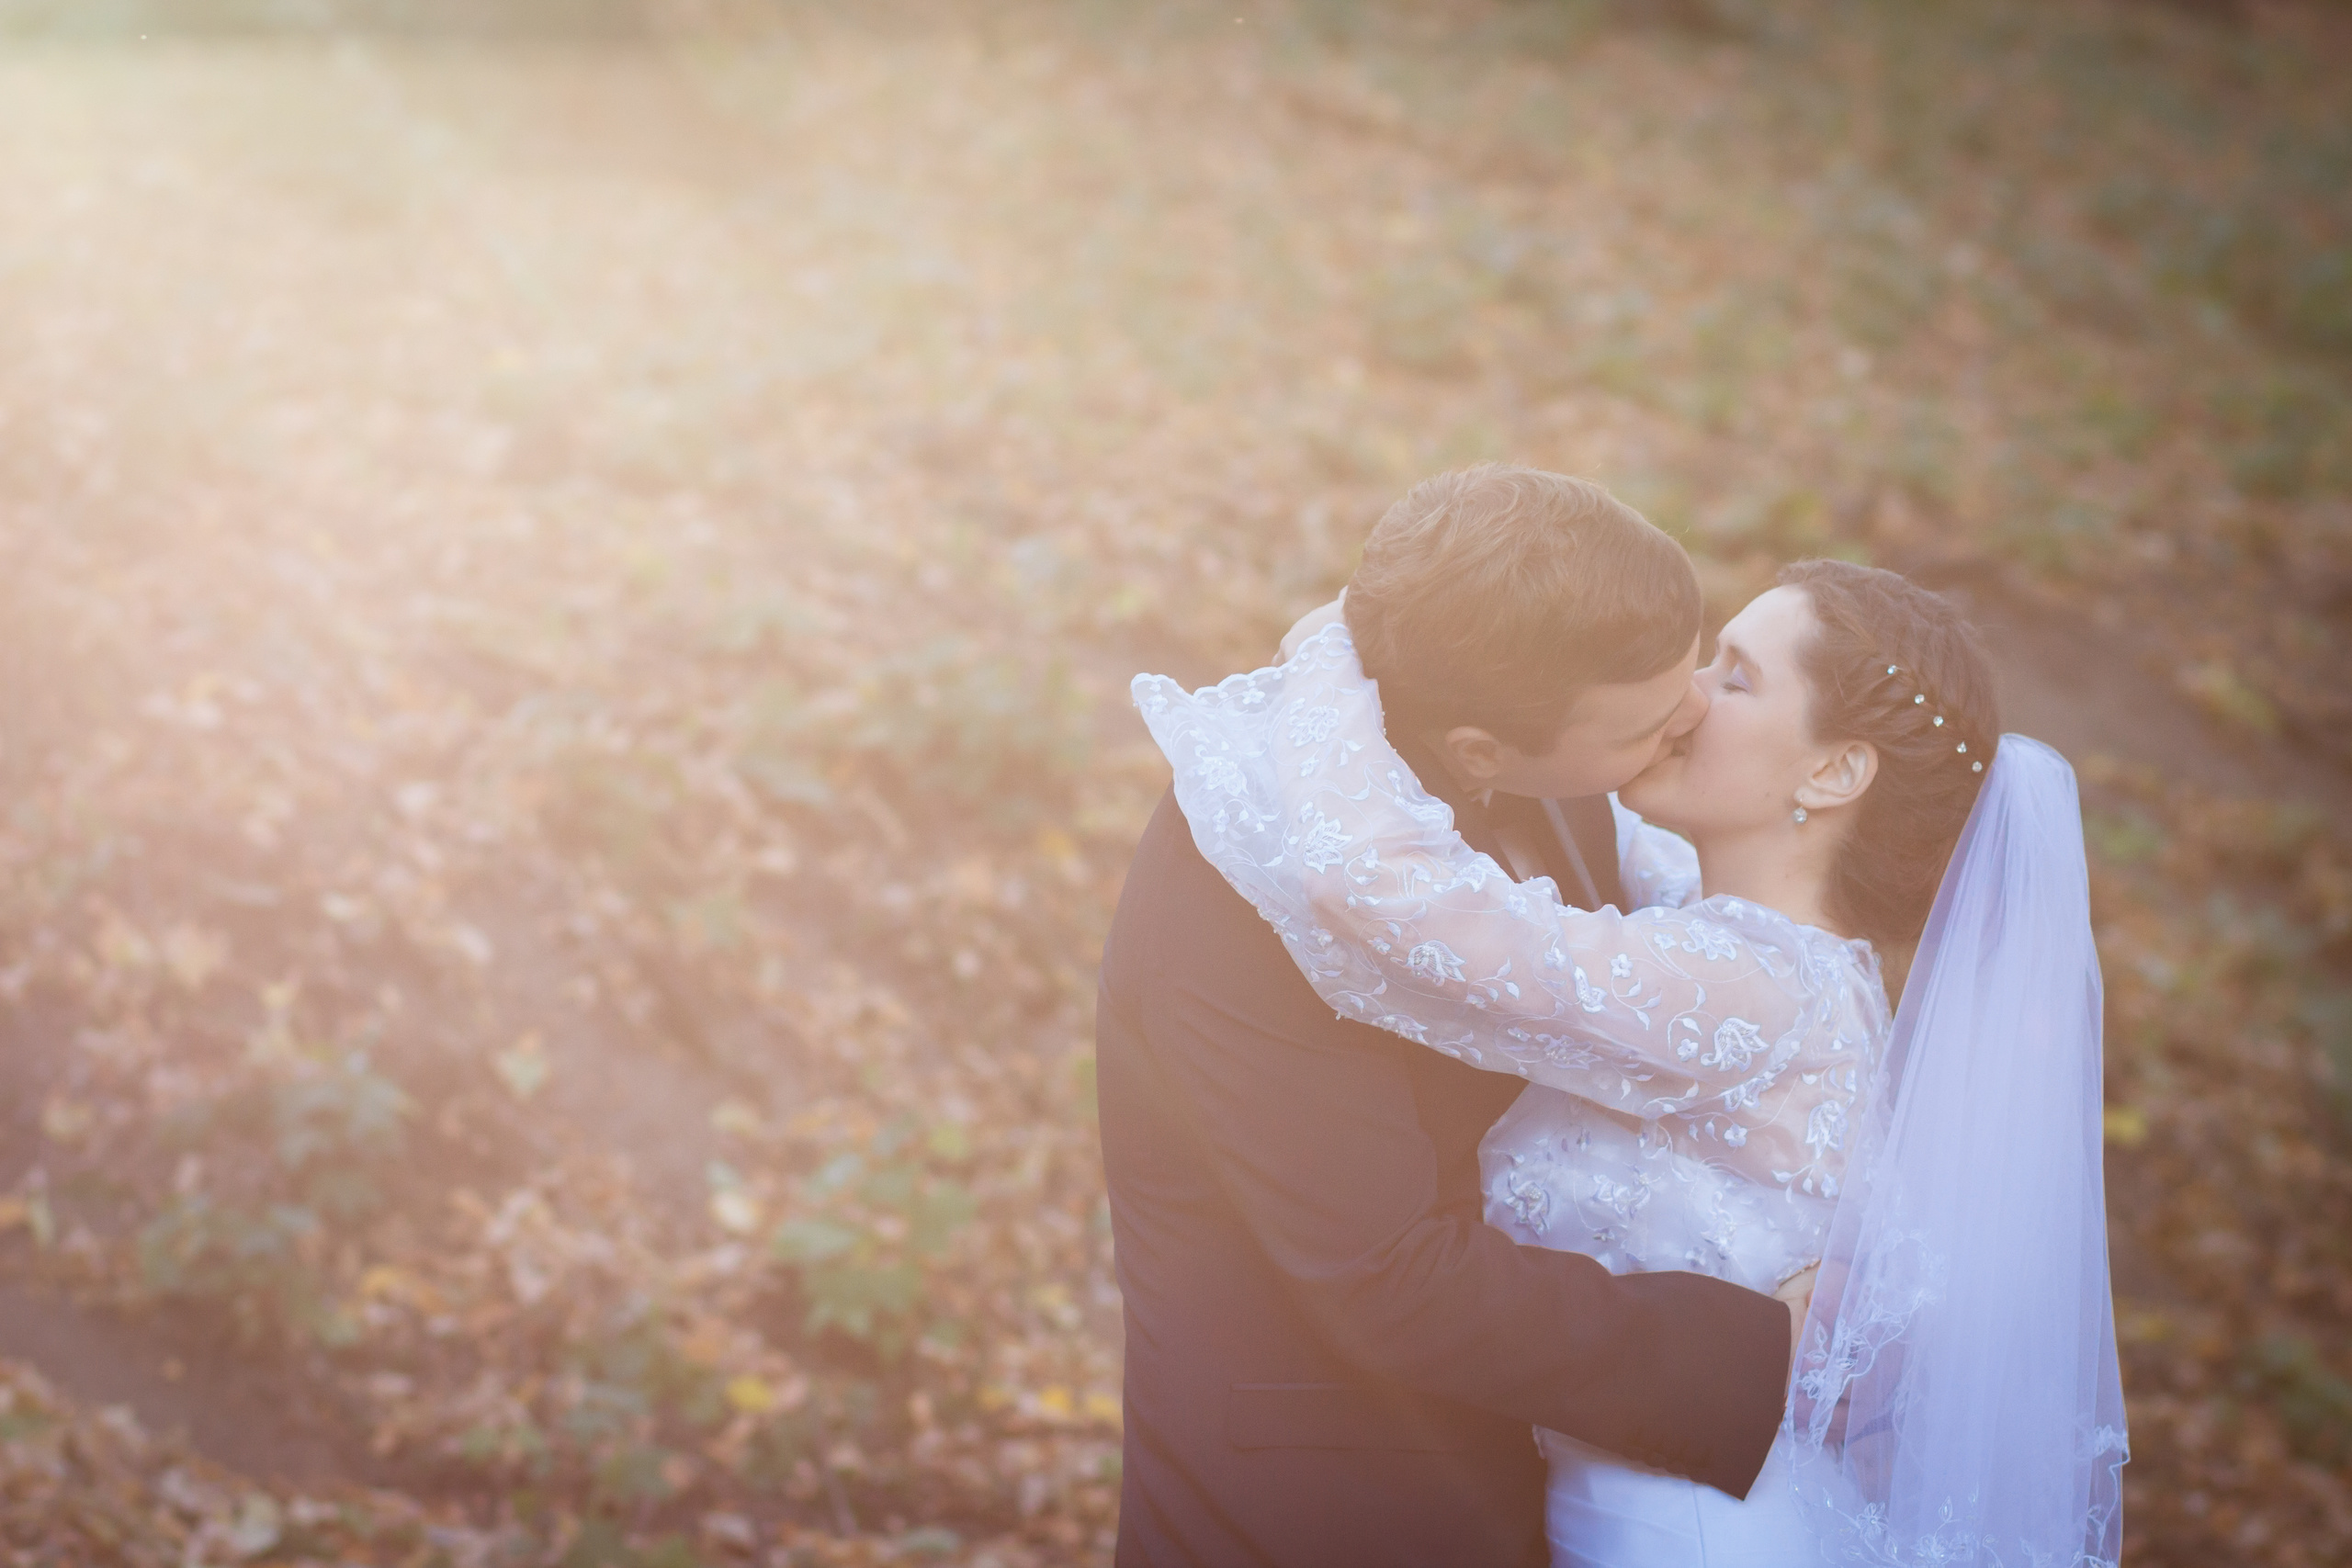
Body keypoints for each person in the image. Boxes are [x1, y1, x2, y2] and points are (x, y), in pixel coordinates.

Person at [1139, 552, 2127, 1567]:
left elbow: (1391, 890)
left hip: (1687, 1533)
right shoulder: (1745, 946)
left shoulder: (1746, 987)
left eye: (1736, 677)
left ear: (1832, 771)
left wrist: (1328, 650)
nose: (1690, 697)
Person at [1096, 468, 1800, 1567]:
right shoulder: (1241, 891)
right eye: (1652, 723)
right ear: (1480, 750)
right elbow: (1384, 1276)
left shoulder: (1553, 760)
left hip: (1525, 1445)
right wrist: (1759, 1351)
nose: (1697, 717)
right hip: (1328, 1497)